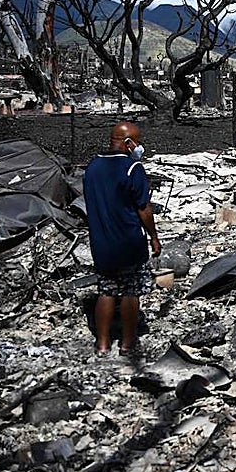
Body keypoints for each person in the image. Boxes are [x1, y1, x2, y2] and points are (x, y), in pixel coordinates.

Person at [83, 121, 162, 356]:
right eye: (137, 142)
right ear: (128, 143)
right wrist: (154, 238)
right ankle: (128, 343)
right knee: (130, 291)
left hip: (101, 241)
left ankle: (102, 344)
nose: (139, 147)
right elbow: (143, 209)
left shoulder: (93, 167)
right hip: (128, 241)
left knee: (106, 291)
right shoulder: (132, 168)